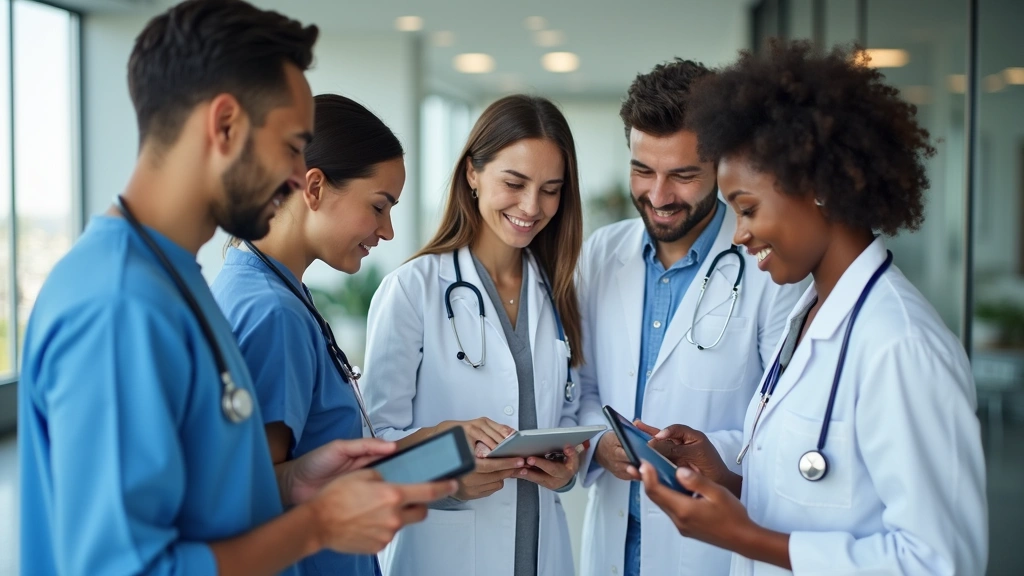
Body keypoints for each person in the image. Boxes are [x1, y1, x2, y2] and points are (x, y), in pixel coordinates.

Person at [17, 2, 454, 575]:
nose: (302, 178)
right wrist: (318, 525)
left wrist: (294, 481)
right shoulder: (119, 306)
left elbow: (201, 499)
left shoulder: (176, 280)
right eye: (294, 147)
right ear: (224, 125)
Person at [634, 40, 988, 576]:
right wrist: (728, 478)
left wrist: (750, 539)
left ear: (820, 188)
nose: (741, 234)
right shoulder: (809, 313)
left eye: (748, 209)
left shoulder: (901, 345)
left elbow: (940, 561)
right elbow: (823, 493)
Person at [574, 59, 804, 576]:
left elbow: (782, 421)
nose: (658, 197)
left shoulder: (769, 265)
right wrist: (600, 441)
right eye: (642, 171)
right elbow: (583, 386)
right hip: (616, 539)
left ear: (722, 167)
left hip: (709, 547)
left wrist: (698, 452)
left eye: (682, 175)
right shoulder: (600, 255)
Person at [362, 94, 585, 576]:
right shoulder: (414, 289)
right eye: (514, 182)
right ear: (472, 174)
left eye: (551, 189)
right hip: (442, 555)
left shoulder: (559, 289)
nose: (532, 206)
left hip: (542, 556)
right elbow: (372, 447)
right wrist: (447, 476)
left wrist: (567, 469)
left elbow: (565, 414)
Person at [211, 93, 406, 576]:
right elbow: (261, 494)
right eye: (379, 206)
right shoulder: (274, 313)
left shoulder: (261, 283)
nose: (388, 231)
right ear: (314, 187)